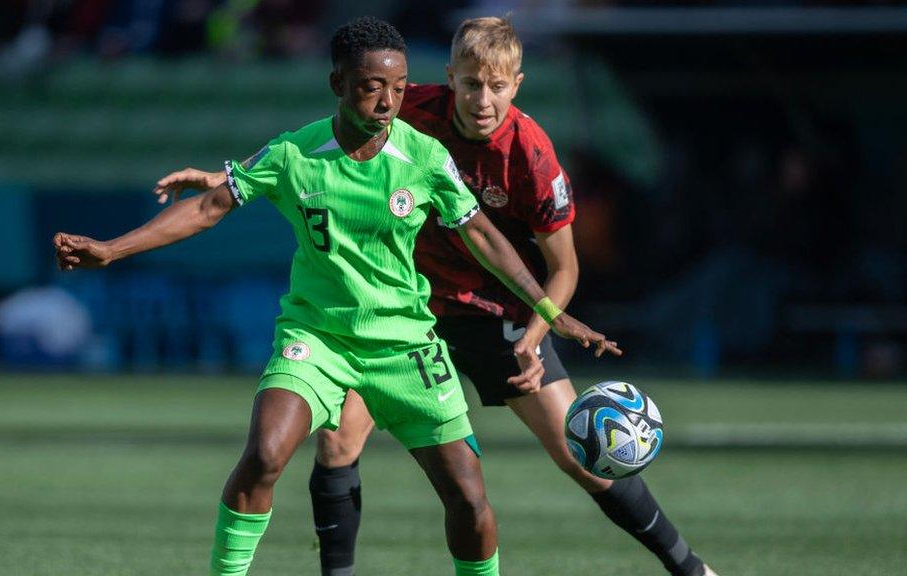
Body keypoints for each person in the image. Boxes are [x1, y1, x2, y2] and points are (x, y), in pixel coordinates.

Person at [56, 16, 619, 576]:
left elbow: (484, 237)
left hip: (406, 348)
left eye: (398, 89)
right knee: (265, 456)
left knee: (469, 502)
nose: (387, 103)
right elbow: (210, 206)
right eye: (372, 87)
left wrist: (551, 312)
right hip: (316, 340)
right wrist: (111, 249)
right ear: (339, 85)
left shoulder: (424, 157)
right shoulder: (295, 153)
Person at [306, 17, 720, 576]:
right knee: (336, 443)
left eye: (496, 86)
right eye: (471, 83)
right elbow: (325, 142)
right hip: (407, 311)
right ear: (451, 78)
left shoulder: (530, 157)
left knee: (583, 455)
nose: (482, 99)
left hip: (496, 313)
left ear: (516, 85)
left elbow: (564, 268)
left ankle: (691, 570)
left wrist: (534, 334)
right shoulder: (407, 110)